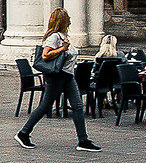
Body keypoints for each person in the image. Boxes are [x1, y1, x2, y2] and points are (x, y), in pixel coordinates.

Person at [16, 9, 99, 151]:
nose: (70, 20)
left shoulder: (63, 35)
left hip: (68, 75)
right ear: (62, 21)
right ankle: (23, 133)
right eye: (67, 18)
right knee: (45, 106)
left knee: (78, 106)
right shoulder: (54, 37)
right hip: (56, 76)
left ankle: (83, 140)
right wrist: (62, 49)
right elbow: (45, 55)